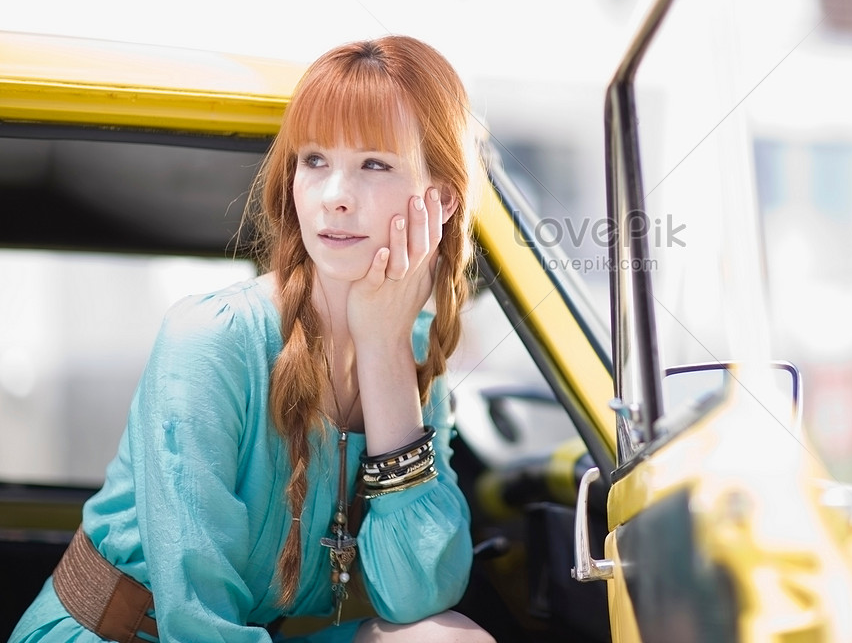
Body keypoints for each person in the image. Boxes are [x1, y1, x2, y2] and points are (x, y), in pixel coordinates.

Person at [11, 36, 495, 642]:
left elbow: (418, 593)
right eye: (314, 159)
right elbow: (199, 623)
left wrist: (382, 352)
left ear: (442, 199)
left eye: (374, 163)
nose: (334, 195)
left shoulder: (413, 350)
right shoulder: (210, 339)